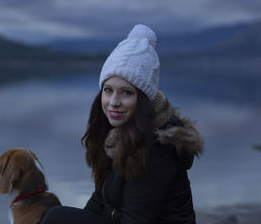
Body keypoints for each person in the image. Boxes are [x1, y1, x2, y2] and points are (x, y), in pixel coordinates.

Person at [42, 24, 203, 224]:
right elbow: (100, 201)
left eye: (126, 92)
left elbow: (136, 219)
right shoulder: (116, 132)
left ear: (143, 100)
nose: (113, 102)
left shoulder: (155, 147)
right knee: (60, 218)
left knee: (56, 218)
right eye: (108, 90)